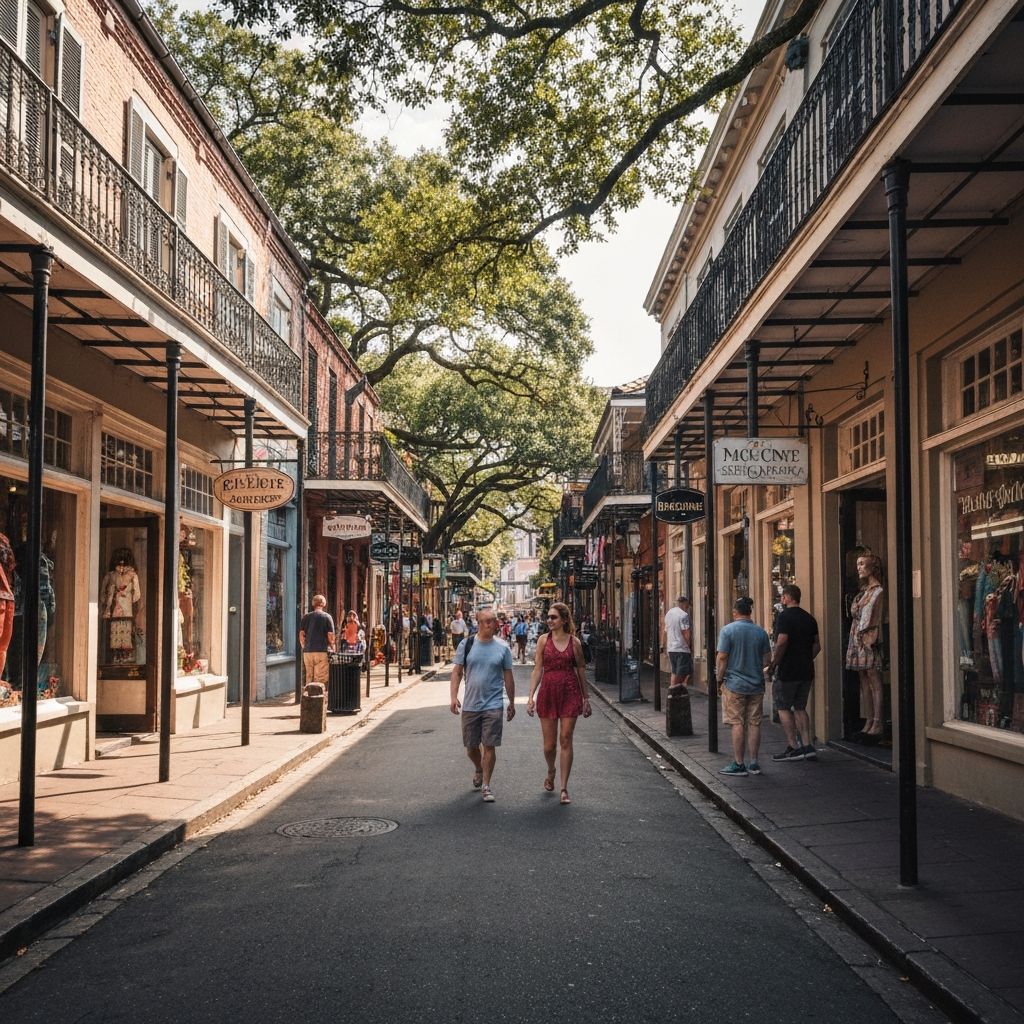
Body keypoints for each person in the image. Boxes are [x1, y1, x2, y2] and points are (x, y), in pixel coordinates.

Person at [526, 601, 592, 805]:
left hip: (570, 692)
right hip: (548, 692)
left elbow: (580, 670)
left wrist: (586, 698)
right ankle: (551, 770)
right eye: (548, 617)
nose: (549, 620)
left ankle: (564, 788)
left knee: (565, 738)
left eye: (553, 617)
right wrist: (531, 696)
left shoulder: (575, 643)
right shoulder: (543, 641)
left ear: (564, 620)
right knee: (549, 745)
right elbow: (538, 669)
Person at [450, 609, 515, 803]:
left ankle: (486, 785)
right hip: (471, 703)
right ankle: (478, 767)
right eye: (485, 621)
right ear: (478, 623)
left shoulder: (503, 648)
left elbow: (508, 677)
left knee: (489, 745)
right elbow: (457, 672)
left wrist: (511, 702)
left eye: (492, 621)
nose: (490, 624)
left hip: (494, 704)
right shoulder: (467, 644)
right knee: (471, 747)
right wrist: (453, 697)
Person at [716, 596, 771, 777]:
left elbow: (722, 657)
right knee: (755, 723)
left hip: (734, 684)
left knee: (737, 722)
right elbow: (767, 660)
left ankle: (739, 763)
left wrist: (719, 678)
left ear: (734, 612)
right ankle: (754, 763)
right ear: (750, 612)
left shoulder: (727, 631)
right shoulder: (761, 632)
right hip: (756, 684)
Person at [768, 585, 821, 762]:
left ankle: (793, 746)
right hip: (806, 670)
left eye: (783, 597)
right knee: (800, 707)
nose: (781, 600)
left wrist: (774, 663)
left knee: (783, 707)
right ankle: (807, 745)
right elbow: (817, 645)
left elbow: (782, 642)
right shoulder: (809, 618)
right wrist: (806, 658)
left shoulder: (784, 617)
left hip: (788, 670)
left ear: (788, 598)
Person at [845, 554, 885, 742]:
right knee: (863, 680)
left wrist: (872, 639)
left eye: (862, 564)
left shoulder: (878, 591)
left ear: (872, 566)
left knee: (873, 679)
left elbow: (877, 617)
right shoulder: (863, 591)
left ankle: (878, 721)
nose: (858, 567)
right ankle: (868, 720)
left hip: (869, 638)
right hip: (857, 638)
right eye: (857, 564)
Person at [299, 595, 335, 687]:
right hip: (321, 651)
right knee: (320, 679)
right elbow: (330, 635)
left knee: (309, 677)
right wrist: (332, 646)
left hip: (307, 652)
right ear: (324, 604)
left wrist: (304, 645)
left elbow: (302, 634)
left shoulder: (306, 617)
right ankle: (318, 699)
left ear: (313, 604)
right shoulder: (327, 617)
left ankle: (308, 697)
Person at [663, 595, 693, 692]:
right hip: (681, 647)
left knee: (675, 671)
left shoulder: (669, 613)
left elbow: (665, 630)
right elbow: (686, 632)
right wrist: (688, 645)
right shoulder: (683, 615)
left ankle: (672, 691)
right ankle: (675, 691)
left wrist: (663, 644)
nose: (687, 608)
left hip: (671, 647)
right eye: (687, 606)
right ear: (684, 604)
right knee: (683, 672)